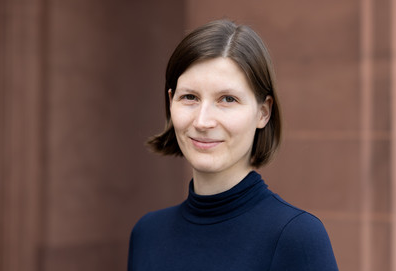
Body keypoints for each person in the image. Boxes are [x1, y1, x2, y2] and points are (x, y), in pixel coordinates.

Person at [127, 19, 338, 271]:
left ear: (263, 112)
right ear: (171, 102)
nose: (203, 121)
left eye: (228, 99)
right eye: (190, 97)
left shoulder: (296, 237)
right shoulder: (147, 233)